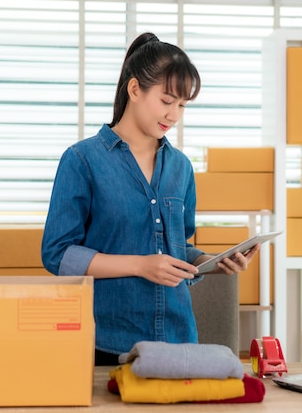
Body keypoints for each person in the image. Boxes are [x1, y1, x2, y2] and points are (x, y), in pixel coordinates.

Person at [41, 32, 259, 366]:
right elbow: (58, 255)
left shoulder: (180, 167)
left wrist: (209, 263)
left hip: (178, 341)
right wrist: (140, 265)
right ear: (134, 90)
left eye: (183, 105)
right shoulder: (82, 160)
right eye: (167, 100)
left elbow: (174, 246)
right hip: (107, 344)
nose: (174, 114)